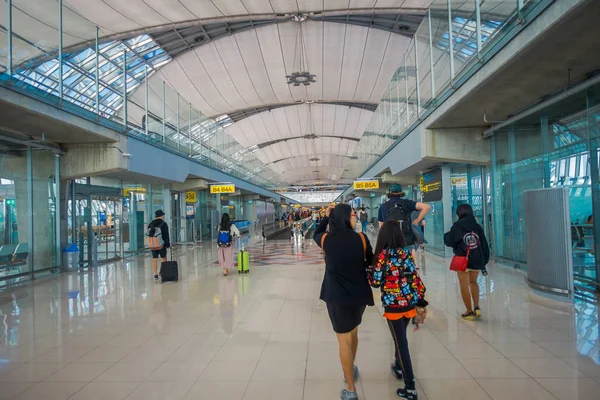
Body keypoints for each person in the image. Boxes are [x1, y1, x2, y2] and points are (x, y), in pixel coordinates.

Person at [314, 204, 374, 400]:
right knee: (353, 331)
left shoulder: (326, 240)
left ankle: (350, 388)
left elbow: (317, 231)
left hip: (336, 296)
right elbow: (371, 261)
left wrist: (326, 215)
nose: (355, 218)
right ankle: (351, 366)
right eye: (353, 215)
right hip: (359, 296)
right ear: (346, 218)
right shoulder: (361, 239)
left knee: (343, 340)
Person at [368, 221, 428, 400]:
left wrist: (368, 272)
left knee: (402, 344)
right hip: (408, 303)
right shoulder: (406, 253)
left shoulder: (382, 256)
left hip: (393, 306)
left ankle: (410, 388)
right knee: (399, 337)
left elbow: (375, 282)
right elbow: (414, 277)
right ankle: (398, 366)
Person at [444, 204, 490, 321]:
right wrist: (484, 260)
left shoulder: (457, 226)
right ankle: (476, 306)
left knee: (464, 285)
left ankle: (469, 311)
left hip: (463, 260)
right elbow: (484, 244)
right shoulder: (477, 226)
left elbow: (450, 242)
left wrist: (448, 233)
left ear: (459, 214)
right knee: (473, 282)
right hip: (477, 259)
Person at [378, 185, 430, 255]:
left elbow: (381, 228)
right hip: (407, 240)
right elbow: (426, 207)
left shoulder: (383, 207)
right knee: (410, 263)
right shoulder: (407, 203)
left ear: (389, 193)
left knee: (392, 264)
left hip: (390, 242)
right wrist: (416, 221)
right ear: (401, 192)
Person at [147, 210, 170, 282]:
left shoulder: (151, 224)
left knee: (154, 258)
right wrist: (167, 244)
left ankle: (155, 274)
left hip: (153, 245)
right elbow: (166, 235)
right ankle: (162, 271)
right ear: (161, 216)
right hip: (161, 244)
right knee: (164, 257)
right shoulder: (164, 224)